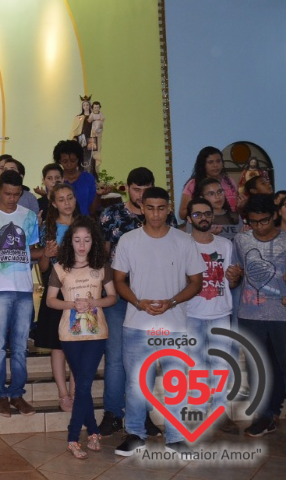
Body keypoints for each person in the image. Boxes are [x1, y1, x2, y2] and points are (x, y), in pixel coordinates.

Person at [112, 187, 203, 457]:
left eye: (161, 208)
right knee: (137, 383)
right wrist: (139, 302)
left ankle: (176, 437)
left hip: (174, 323)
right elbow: (118, 280)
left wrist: (172, 302)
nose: (155, 213)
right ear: (141, 208)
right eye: (150, 208)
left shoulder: (184, 241)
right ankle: (136, 433)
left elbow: (196, 282)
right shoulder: (129, 240)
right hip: (137, 323)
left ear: (168, 208)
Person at [97, 167, 176, 437]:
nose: (142, 196)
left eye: (147, 189)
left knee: (148, 359)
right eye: (136, 190)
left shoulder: (167, 216)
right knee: (117, 357)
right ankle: (112, 413)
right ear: (126, 188)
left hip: (155, 298)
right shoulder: (111, 215)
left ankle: (142, 416)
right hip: (121, 297)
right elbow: (104, 257)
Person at [45, 217, 117, 459]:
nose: (82, 245)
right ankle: (93, 432)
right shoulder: (59, 268)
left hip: (97, 334)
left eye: (87, 240)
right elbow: (50, 301)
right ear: (70, 242)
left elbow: (113, 297)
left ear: (93, 241)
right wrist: (73, 304)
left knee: (83, 385)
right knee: (83, 385)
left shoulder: (102, 266)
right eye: (77, 240)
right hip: (70, 334)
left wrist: (94, 302)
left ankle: (73, 437)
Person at [0, 170, 41, 417]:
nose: (12, 199)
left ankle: (17, 394)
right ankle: (0, 395)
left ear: (22, 192)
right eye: (7, 194)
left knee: (20, 345)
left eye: (16, 194)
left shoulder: (29, 216)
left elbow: (31, 251)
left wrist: (46, 252)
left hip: (24, 288)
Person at [185, 197, 241, 434]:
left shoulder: (225, 245)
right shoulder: (182, 244)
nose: (203, 218)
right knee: (195, 364)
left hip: (220, 310)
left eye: (207, 213)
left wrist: (234, 276)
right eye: (197, 214)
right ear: (188, 219)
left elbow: (233, 280)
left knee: (221, 364)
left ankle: (220, 412)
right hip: (190, 312)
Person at [234, 194, 286, 437]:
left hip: (282, 314)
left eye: (264, 221)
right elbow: (237, 272)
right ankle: (263, 416)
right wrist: (233, 276)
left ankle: (274, 409)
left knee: (281, 366)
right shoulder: (241, 239)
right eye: (253, 222)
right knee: (257, 366)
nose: (259, 227)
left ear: (275, 215)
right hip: (250, 313)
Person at [33, 185, 77, 411]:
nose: (67, 203)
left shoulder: (84, 226)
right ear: (53, 203)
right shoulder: (47, 229)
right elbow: (42, 268)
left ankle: (78, 391)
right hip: (56, 289)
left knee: (79, 342)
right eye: (61, 199)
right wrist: (47, 255)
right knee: (58, 345)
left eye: (70, 198)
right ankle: (63, 393)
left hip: (81, 289)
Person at [179, 146, 238, 220]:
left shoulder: (230, 181)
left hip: (230, 225)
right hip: (204, 226)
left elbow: (236, 211)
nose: (215, 165)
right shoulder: (193, 184)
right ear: (203, 164)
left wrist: (242, 206)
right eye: (210, 162)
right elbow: (182, 214)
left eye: (218, 161)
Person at [53, 140, 99, 216]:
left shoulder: (88, 178)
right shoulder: (56, 180)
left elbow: (92, 210)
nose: (69, 165)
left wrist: (99, 195)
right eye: (65, 161)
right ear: (59, 161)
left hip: (84, 223)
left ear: (78, 159)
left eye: (73, 161)